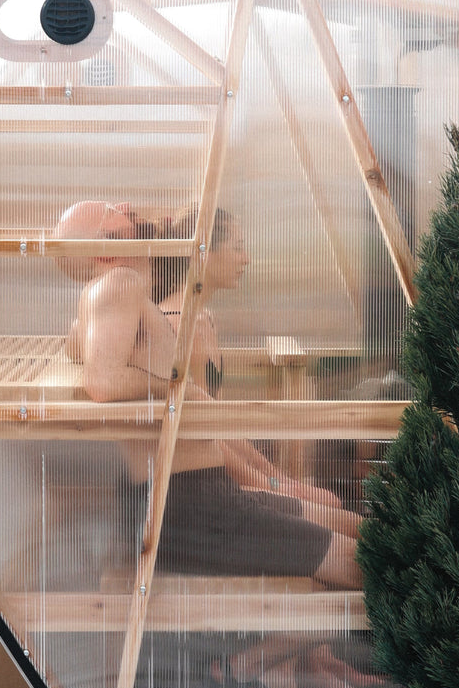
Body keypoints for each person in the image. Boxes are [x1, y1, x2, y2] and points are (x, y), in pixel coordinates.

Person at [54, 200, 361, 589]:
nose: (126, 205)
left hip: (195, 496)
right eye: (111, 211)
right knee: (356, 559)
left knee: (354, 528)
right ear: (105, 250)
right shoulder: (121, 285)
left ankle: (284, 652)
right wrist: (182, 387)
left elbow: (76, 347)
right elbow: (103, 383)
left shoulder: (113, 292)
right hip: (191, 506)